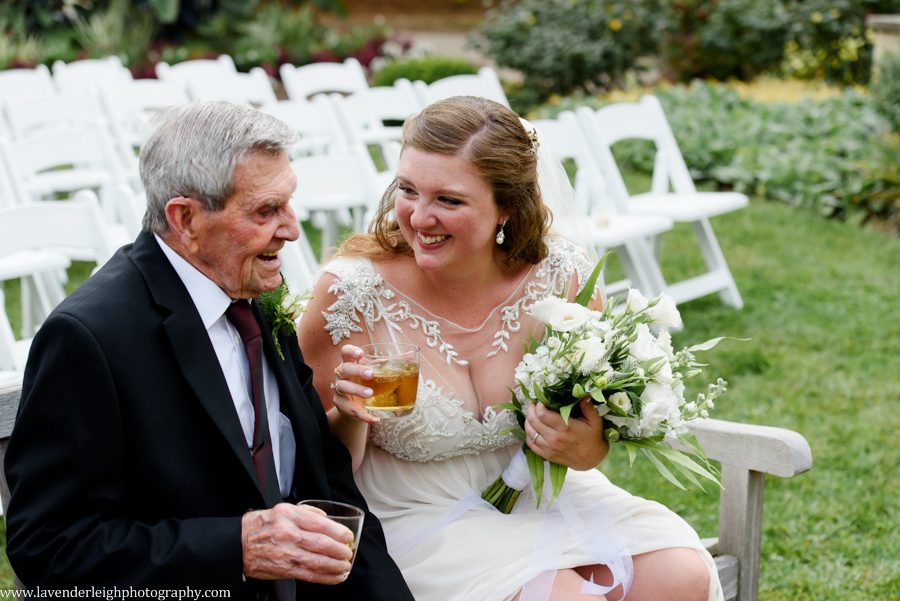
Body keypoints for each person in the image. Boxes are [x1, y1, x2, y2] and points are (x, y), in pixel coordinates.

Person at [298, 96, 725, 601]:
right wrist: (350, 416)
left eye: (449, 201)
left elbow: (590, 429)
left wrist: (586, 447)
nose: (418, 217)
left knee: (682, 574)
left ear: (506, 207)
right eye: (408, 190)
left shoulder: (560, 276)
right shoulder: (351, 294)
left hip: (534, 495)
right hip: (414, 517)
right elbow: (311, 470)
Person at [4, 101, 414, 601]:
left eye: (288, 203)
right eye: (266, 211)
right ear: (185, 219)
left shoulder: (248, 288)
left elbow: (326, 482)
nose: (291, 229)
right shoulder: (89, 337)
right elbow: (48, 548)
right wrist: (236, 548)